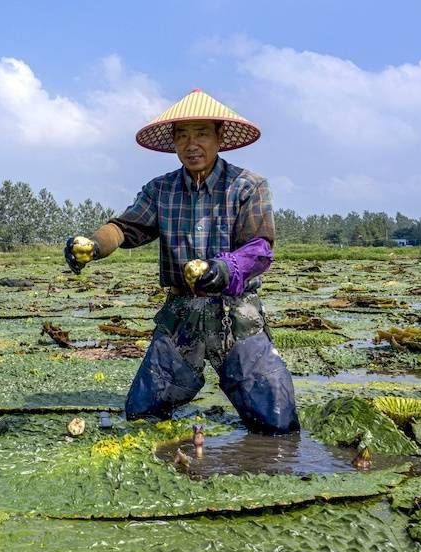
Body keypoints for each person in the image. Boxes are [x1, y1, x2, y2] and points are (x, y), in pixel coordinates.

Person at [64, 88, 299, 434]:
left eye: (201, 133)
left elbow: (259, 249)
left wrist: (222, 269)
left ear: (219, 137)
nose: (192, 144)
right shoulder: (161, 190)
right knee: (142, 415)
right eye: (182, 135)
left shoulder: (248, 187)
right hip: (181, 315)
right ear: (173, 143)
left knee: (277, 422)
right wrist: (93, 245)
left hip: (235, 313)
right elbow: (125, 228)